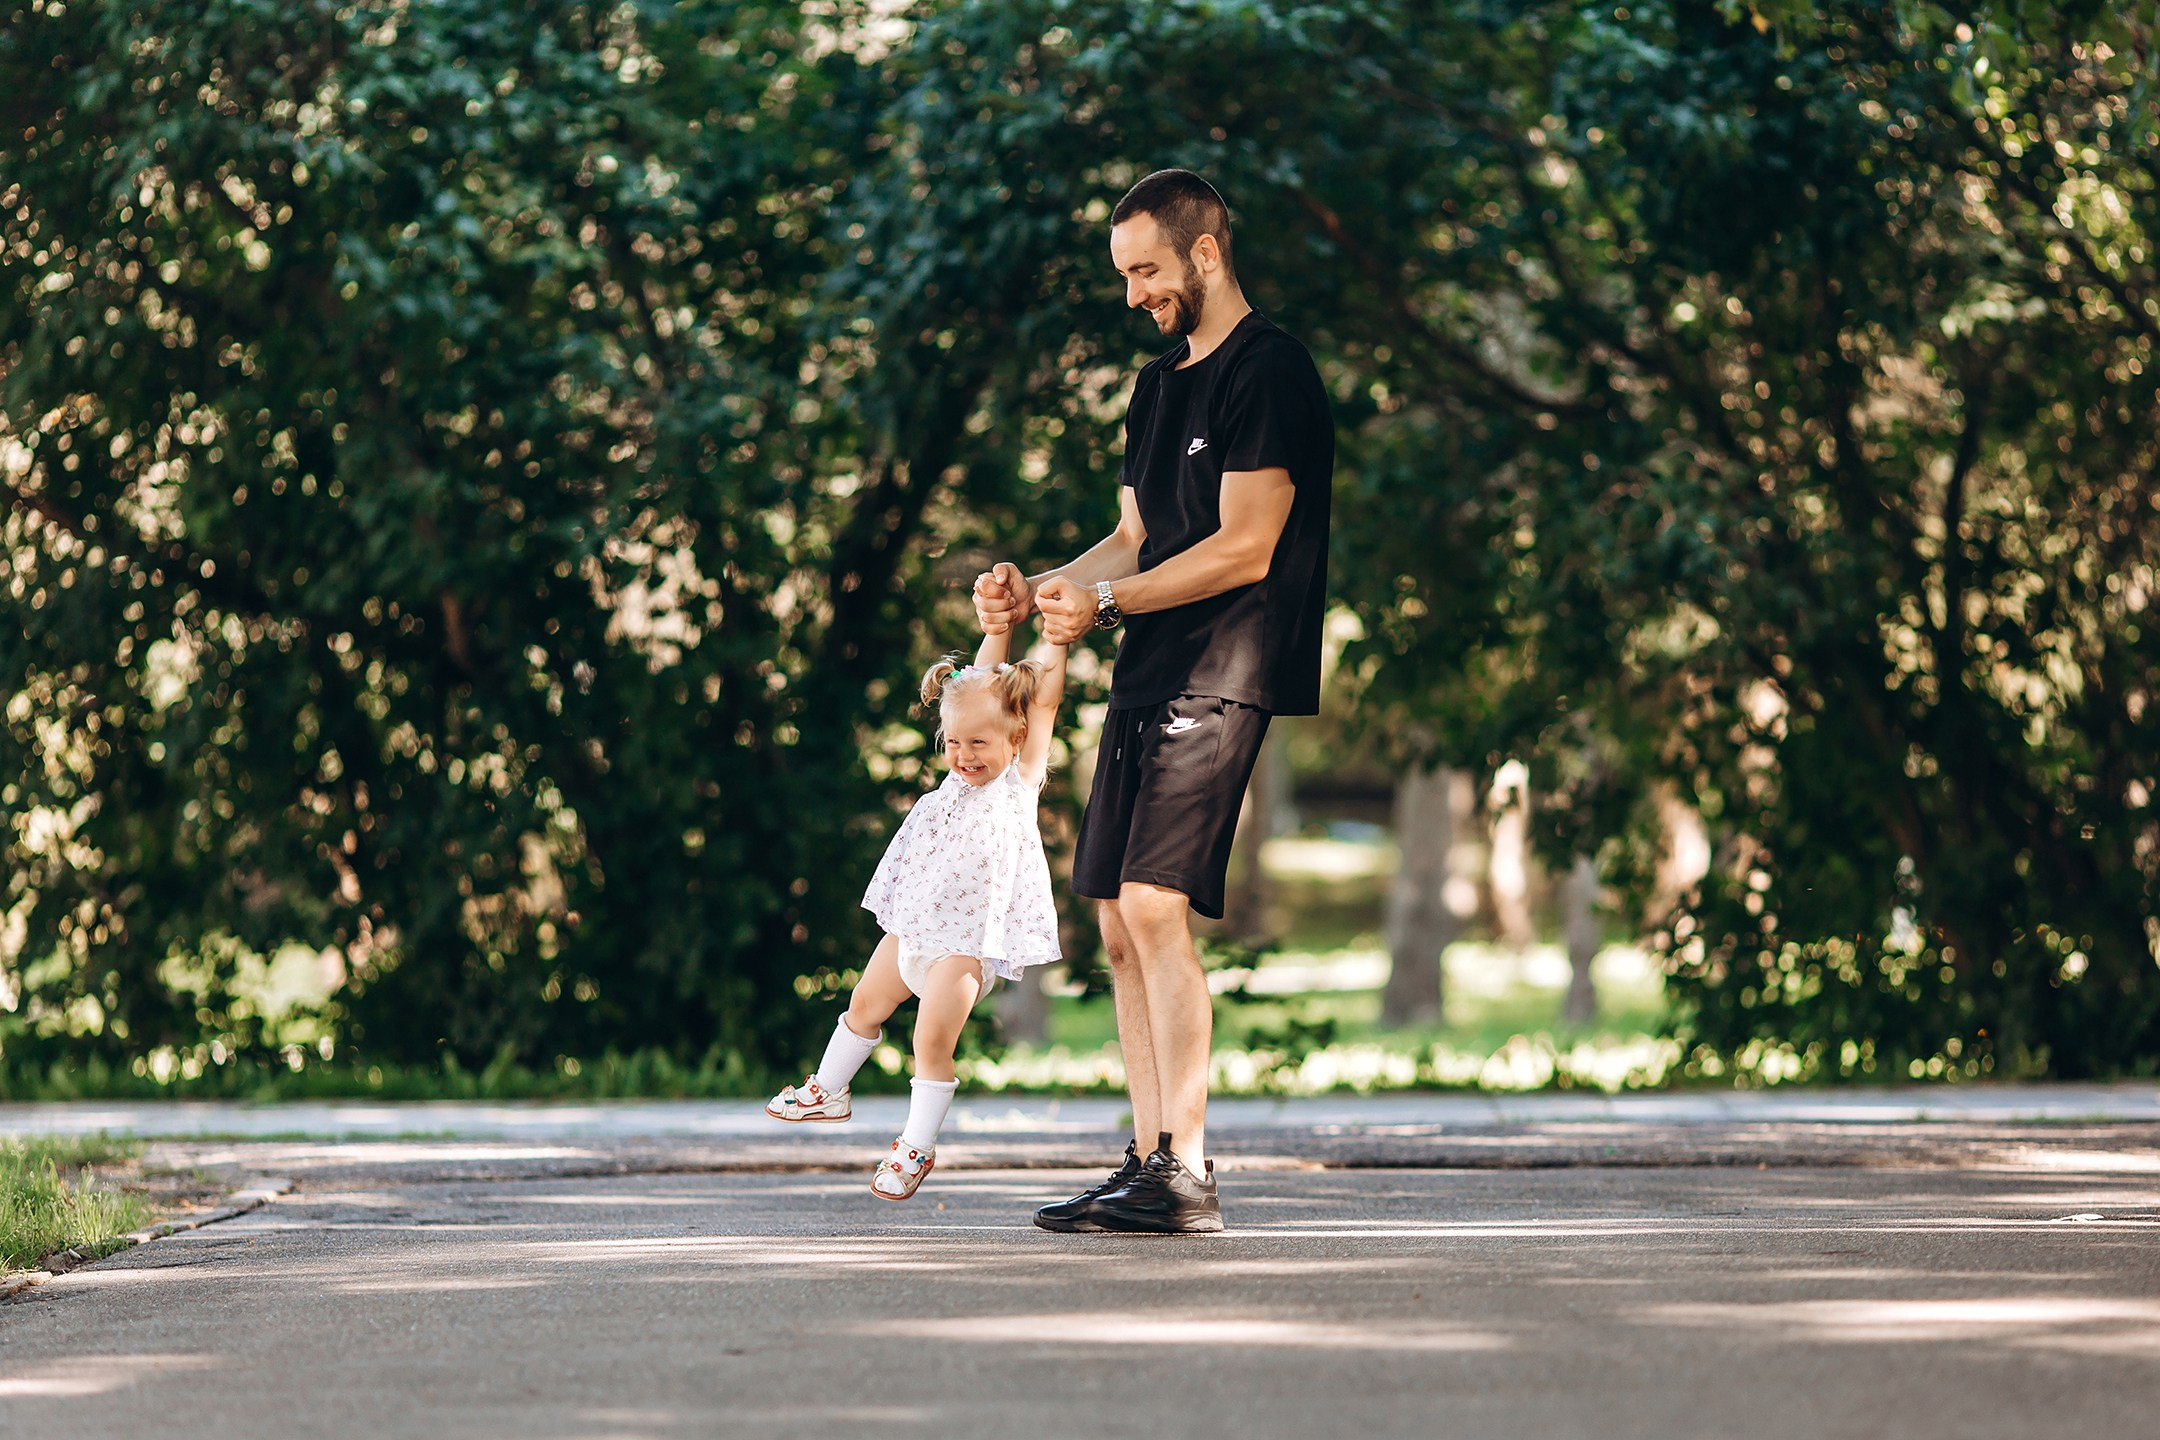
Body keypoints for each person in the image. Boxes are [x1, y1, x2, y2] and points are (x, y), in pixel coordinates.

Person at [974, 168, 1334, 1234]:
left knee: (1152, 903)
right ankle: (1145, 1160)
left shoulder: (1270, 372)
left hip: (1228, 664)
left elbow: (1246, 544)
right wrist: (1045, 585)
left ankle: (1188, 1166)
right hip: (1147, 665)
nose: (1134, 294)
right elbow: (1132, 540)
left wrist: (1104, 599)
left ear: (1206, 253)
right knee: (1113, 919)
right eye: (1125, 274)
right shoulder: (1156, 384)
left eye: (1146, 271)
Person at [765, 622, 1066, 1201]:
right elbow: (981, 681)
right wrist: (998, 626)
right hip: (915, 930)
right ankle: (828, 1090)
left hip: (963, 950)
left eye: (978, 744)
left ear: (1015, 739)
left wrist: (1057, 634)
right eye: (953, 742)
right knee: (863, 1005)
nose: (963, 755)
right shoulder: (955, 781)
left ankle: (915, 1147)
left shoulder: (1017, 785)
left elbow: (1042, 695)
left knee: (931, 1040)